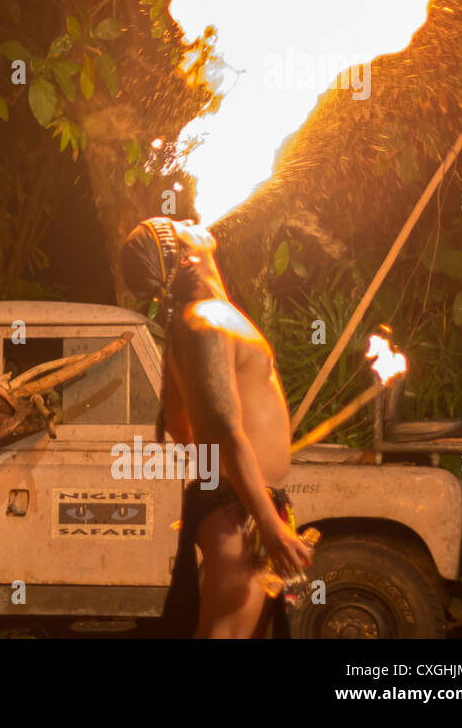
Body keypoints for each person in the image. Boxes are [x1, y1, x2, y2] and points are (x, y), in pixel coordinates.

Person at [119, 217, 313, 638]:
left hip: (238, 506)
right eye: (180, 224)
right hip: (240, 515)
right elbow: (224, 428)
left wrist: (216, 474)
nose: (191, 219)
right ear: (187, 258)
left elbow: (175, 421)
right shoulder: (205, 320)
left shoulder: (194, 321)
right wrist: (266, 522)